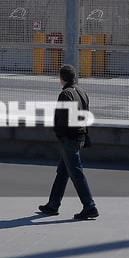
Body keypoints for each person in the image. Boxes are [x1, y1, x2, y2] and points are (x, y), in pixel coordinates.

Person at [38, 65, 98, 220]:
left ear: (62, 78)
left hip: (69, 139)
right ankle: (53, 205)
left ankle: (90, 206)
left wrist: (59, 134)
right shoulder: (81, 92)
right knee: (63, 172)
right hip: (79, 136)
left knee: (76, 173)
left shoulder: (65, 94)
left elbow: (61, 119)